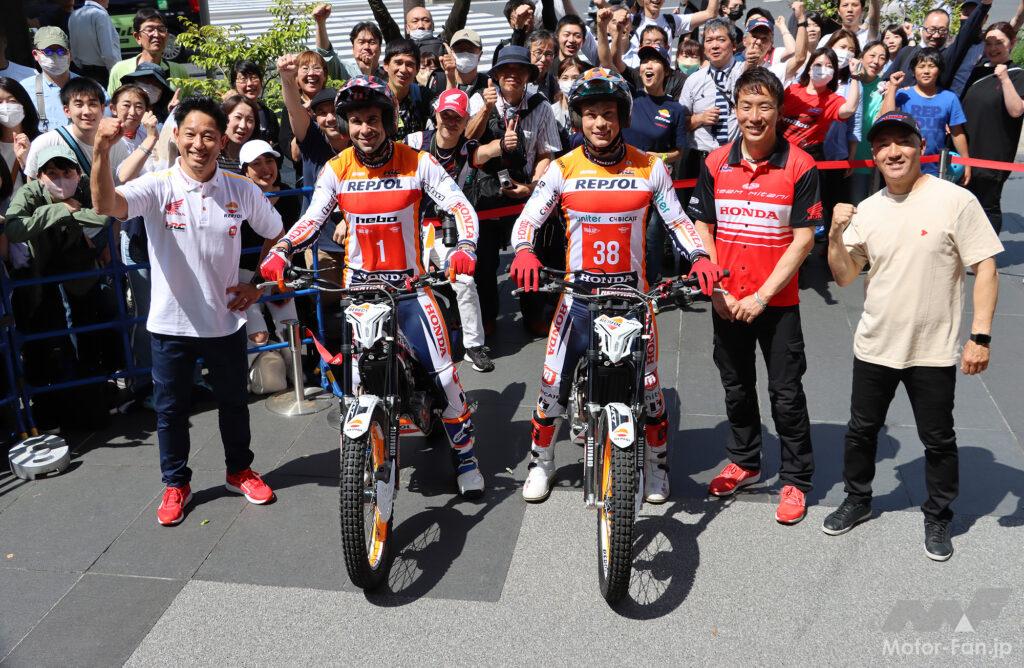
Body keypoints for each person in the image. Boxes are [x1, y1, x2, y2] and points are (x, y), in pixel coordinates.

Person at [259, 76, 486, 498]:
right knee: (356, 385)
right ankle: (364, 450)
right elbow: (312, 218)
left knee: (444, 376)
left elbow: (460, 205)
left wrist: (466, 245)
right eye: (357, 120)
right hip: (360, 295)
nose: (365, 128)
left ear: (388, 122)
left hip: (411, 290)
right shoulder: (337, 168)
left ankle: (466, 455)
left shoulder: (417, 161)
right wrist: (283, 249)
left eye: (373, 119)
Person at [508, 67, 722, 504]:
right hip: (578, 301)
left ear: (622, 116)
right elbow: (527, 219)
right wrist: (525, 251)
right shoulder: (563, 168)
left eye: (608, 113)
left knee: (650, 389)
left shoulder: (650, 166)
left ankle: (658, 465)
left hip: (633, 301)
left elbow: (678, 221)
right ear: (578, 119)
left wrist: (700, 256)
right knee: (552, 386)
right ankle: (541, 462)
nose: (600, 123)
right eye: (590, 114)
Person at [91, 97, 285, 526]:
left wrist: (257, 283)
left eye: (209, 136)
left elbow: (277, 233)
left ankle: (240, 471)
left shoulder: (241, 189)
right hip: (170, 324)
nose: (199, 144)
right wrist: (101, 151)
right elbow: (106, 205)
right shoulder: (158, 185)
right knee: (171, 411)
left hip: (224, 321)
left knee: (234, 404)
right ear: (176, 136)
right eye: (191, 134)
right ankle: (176, 483)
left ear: (222, 142)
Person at [824, 110, 1003, 561]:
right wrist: (835, 235)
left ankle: (938, 515)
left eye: (902, 141)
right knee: (861, 431)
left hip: (932, 349)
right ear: (874, 155)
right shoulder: (868, 209)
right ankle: (858, 499)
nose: (893, 151)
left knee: (938, 439)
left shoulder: (954, 200)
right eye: (883, 144)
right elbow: (845, 275)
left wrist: (980, 336)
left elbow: (985, 266)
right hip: (876, 342)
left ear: (921, 146)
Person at [688, 67, 820, 525]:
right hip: (726, 300)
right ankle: (745, 461)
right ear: (735, 110)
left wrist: (762, 297)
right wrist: (716, 288)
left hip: (776, 304)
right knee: (736, 386)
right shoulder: (715, 162)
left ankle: (796, 478)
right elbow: (702, 227)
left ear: (779, 112)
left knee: (786, 393)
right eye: (746, 106)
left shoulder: (800, 165)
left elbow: (804, 240)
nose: (755, 115)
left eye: (765, 106)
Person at [465, 45, 560, 335]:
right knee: (485, 263)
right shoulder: (480, 98)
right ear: (496, 74)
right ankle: (488, 318)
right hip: (487, 195)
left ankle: (534, 316)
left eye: (519, 70)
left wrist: (531, 188)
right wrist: (486, 110)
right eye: (506, 70)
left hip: (524, 194)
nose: (512, 75)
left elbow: (546, 153)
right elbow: (467, 141)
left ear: (529, 75)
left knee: (531, 257)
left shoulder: (541, 106)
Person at [406, 89, 502, 372]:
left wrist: (509, 142)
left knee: (464, 280)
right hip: (410, 227)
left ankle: (473, 346)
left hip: (446, 230)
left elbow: (491, 149)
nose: (450, 122)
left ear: (465, 121)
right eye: (445, 115)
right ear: (436, 116)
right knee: (406, 286)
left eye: (457, 118)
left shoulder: (467, 149)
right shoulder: (414, 142)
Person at [277, 53, 348, 295]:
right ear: (314, 118)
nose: (330, 118)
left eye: (335, 111)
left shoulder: (361, 143)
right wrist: (287, 79)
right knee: (325, 305)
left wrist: (349, 220)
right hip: (320, 242)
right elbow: (294, 110)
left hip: (357, 239)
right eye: (322, 113)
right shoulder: (312, 140)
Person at [621, 45, 689, 285]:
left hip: (656, 184)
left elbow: (679, 152)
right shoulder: (630, 98)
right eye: (644, 61)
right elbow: (609, 60)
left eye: (655, 61)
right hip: (624, 181)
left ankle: (651, 286)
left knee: (652, 237)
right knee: (624, 234)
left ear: (666, 71)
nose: (648, 66)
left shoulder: (675, 109)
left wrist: (658, 157)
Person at [961, 22, 1024, 234]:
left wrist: (1005, 79)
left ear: (1012, 43)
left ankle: (990, 252)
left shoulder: (1018, 75)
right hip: (965, 153)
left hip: (992, 157)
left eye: (999, 43)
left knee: (987, 207)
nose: (993, 48)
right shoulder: (977, 72)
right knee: (963, 206)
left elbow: (1016, 110)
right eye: (988, 43)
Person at [236, 139, 295, 367]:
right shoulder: (236, 198)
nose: (265, 168)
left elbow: (290, 239)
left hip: (277, 270)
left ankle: (297, 376)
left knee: (290, 329)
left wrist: (285, 274)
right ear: (245, 171)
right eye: (256, 163)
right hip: (244, 274)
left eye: (269, 161)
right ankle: (254, 376)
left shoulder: (290, 195)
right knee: (258, 338)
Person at [881, 50, 970, 182]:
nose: (926, 71)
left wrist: (966, 162)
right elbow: (885, 118)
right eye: (921, 66)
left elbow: (957, 132)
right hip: (905, 164)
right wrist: (893, 87)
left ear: (939, 70)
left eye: (931, 66)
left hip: (935, 167)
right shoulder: (903, 94)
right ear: (913, 71)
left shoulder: (950, 98)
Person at [23, 77, 131, 181]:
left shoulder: (117, 144)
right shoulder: (45, 143)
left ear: (102, 109)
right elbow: (32, 186)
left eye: (92, 104)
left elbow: (123, 185)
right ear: (67, 111)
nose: (87, 111)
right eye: (79, 105)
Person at [885, 0, 992, 91]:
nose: (936, 35)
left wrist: (984, 5)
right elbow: (885, 80)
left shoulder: (947, 56)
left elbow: (966, 32)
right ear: (922, 28)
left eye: (942, 30)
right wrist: (889, 88)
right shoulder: (906, 52)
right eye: (932, 30)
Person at [780, 47, 860, 158]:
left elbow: (850, 109)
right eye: (818, 65)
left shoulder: (833, 100)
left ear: (833, 74)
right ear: (809, 69)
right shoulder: (791, 90)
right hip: (779, 151)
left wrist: (855, 76)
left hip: (807, 156)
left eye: (829, 66)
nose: (823, 69)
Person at [106, 9, 189, 95]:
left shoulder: (178, 71)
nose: (156, 35)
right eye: (150, 30)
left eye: (161, 29)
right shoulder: (120, 70)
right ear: (137, 37)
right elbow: (112, 102)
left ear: (167, 36)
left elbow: (189, 101)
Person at [621, 0, 720, 68]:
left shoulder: (672, 21)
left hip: (662, 83)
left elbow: (710, 13)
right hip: (635, 83)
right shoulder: (629, 20)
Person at [20, 27, 78, 133]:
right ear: (35, 55)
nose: (55, 57)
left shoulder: (89, 87)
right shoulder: (24, 89)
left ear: (70, 54)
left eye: (61, 51)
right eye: (48, 52)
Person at [0, 78, 40, 214]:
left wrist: (26, 161)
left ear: (24, 103)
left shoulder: (41, 141)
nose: (5, 106)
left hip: (30, 217)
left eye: (12, 101)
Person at [383, 39, 435, 142]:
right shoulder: (375, 97)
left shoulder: (423, 95)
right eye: (398, 63)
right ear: (386, 65)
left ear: (417, 69)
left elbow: (445, 114)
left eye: (410, 64)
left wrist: (450, 77)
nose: (403, 69)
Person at [67, 0, 119, 84]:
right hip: (103, 73)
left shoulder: (74, 15)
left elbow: (74, 50)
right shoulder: (101, 15)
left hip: (84, 71)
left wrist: (82, 66)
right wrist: (116, 73)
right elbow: (108, 53)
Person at [231, 60, 280, 148]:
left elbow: (278, 146)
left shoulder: (269, 115)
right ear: (234, 84)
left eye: (254, 77)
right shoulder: (227, 113)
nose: (250, 83)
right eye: (243, 79)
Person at [316, 20, 385, 80]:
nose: (366, 47)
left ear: (380, 48)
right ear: (353, 48)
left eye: (372, 42)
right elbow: (326, 54)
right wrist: (320, 22)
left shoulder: (389, 75)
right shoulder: (346, 70)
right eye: (361, 42)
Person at [218, 95, 260, 174]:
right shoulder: (212, 153)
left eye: (250, 120)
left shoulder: (256, 156)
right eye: (238, 117)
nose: (243, 126)